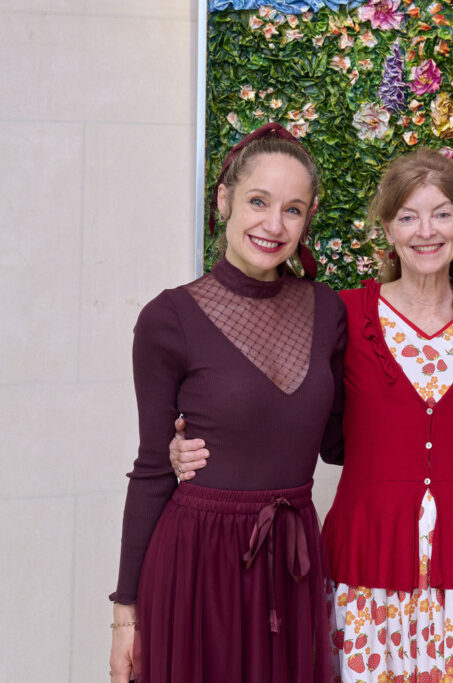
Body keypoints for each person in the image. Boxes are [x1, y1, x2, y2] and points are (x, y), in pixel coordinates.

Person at [173, 149, 453, 682]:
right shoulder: (344, 314)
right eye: (408, 216)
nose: (426, 231)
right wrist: (191, 446)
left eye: (442, 214)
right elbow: (288, 406)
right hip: (367, 562)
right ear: (388, 229)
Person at [109, 123, 346, 683]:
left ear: (308, 218)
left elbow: (341, 443)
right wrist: (125, 618)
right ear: (224, 201)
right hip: (197, 566)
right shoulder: (169, 318)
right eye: (258, 201)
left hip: (292, 566)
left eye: (292, 209)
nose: (274, 224)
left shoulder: (328, 311)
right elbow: (152, 470)